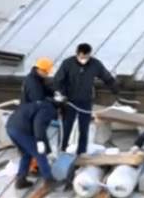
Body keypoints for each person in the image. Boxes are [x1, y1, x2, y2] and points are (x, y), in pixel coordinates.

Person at [54, 43, 119, 155]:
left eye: (86, 57)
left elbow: (106, 77)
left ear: (89, 54)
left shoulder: (95, 64)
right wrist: (62, 94)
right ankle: (62, 149)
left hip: (85, 100)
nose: (83, 59)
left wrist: (114, 88)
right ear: (77, 54)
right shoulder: (68, 64)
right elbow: (58, 80)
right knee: (66, 127)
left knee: (84, 128)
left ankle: (81, 151)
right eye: (81, 57)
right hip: (69, 101)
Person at [7, 57, 60, 189]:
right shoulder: (47, 108)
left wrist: (54, 92)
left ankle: (21, 179)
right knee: (39, 153)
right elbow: (38, 125)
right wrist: (40, 141)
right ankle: (49, 180)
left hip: (11, 125)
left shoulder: (36, 83)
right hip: (21, 128)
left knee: (26, 153)